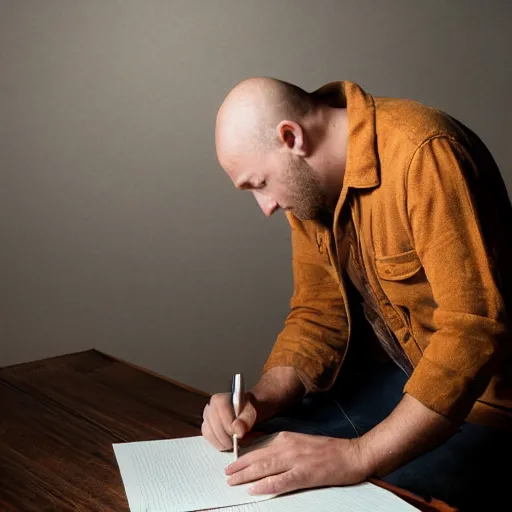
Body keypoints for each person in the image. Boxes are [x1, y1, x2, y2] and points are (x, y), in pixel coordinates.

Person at [202, 77, 512, 511]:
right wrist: (257, 403)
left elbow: (473, 332)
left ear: (291, 137)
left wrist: (359, 456)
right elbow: (317, 317)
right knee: (265, 452)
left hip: (491, 407)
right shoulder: (309, 189)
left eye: (260, 184)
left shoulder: (425, 153)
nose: (266, 206)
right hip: (407, 378)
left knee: (370, 494)